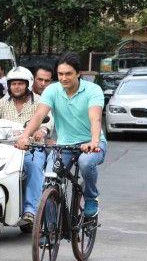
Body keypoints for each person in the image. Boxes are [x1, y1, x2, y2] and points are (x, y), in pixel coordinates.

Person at [16, 52, 106, 218]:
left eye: (69, 74)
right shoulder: (52, 90)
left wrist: (94, 141)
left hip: (91, 144)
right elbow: (39, 116)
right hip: (64, 146)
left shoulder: (93, 90)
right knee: (49, 182)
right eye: (60, 74)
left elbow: (96, 118)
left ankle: (91, 197)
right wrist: (25, 136)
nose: (64, 78)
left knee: (86, 163)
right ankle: (48, 231)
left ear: (78, 73)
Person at [0, 66, 53, 226]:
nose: (17, 87)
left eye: (20, 84)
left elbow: (48, 120)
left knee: (34, 166)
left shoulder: (40, 102)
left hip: (31, 148)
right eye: (13, 84)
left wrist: (42, 130)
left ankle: (30, 209)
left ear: (27, 84)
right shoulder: (4, 102)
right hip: (5, 149)